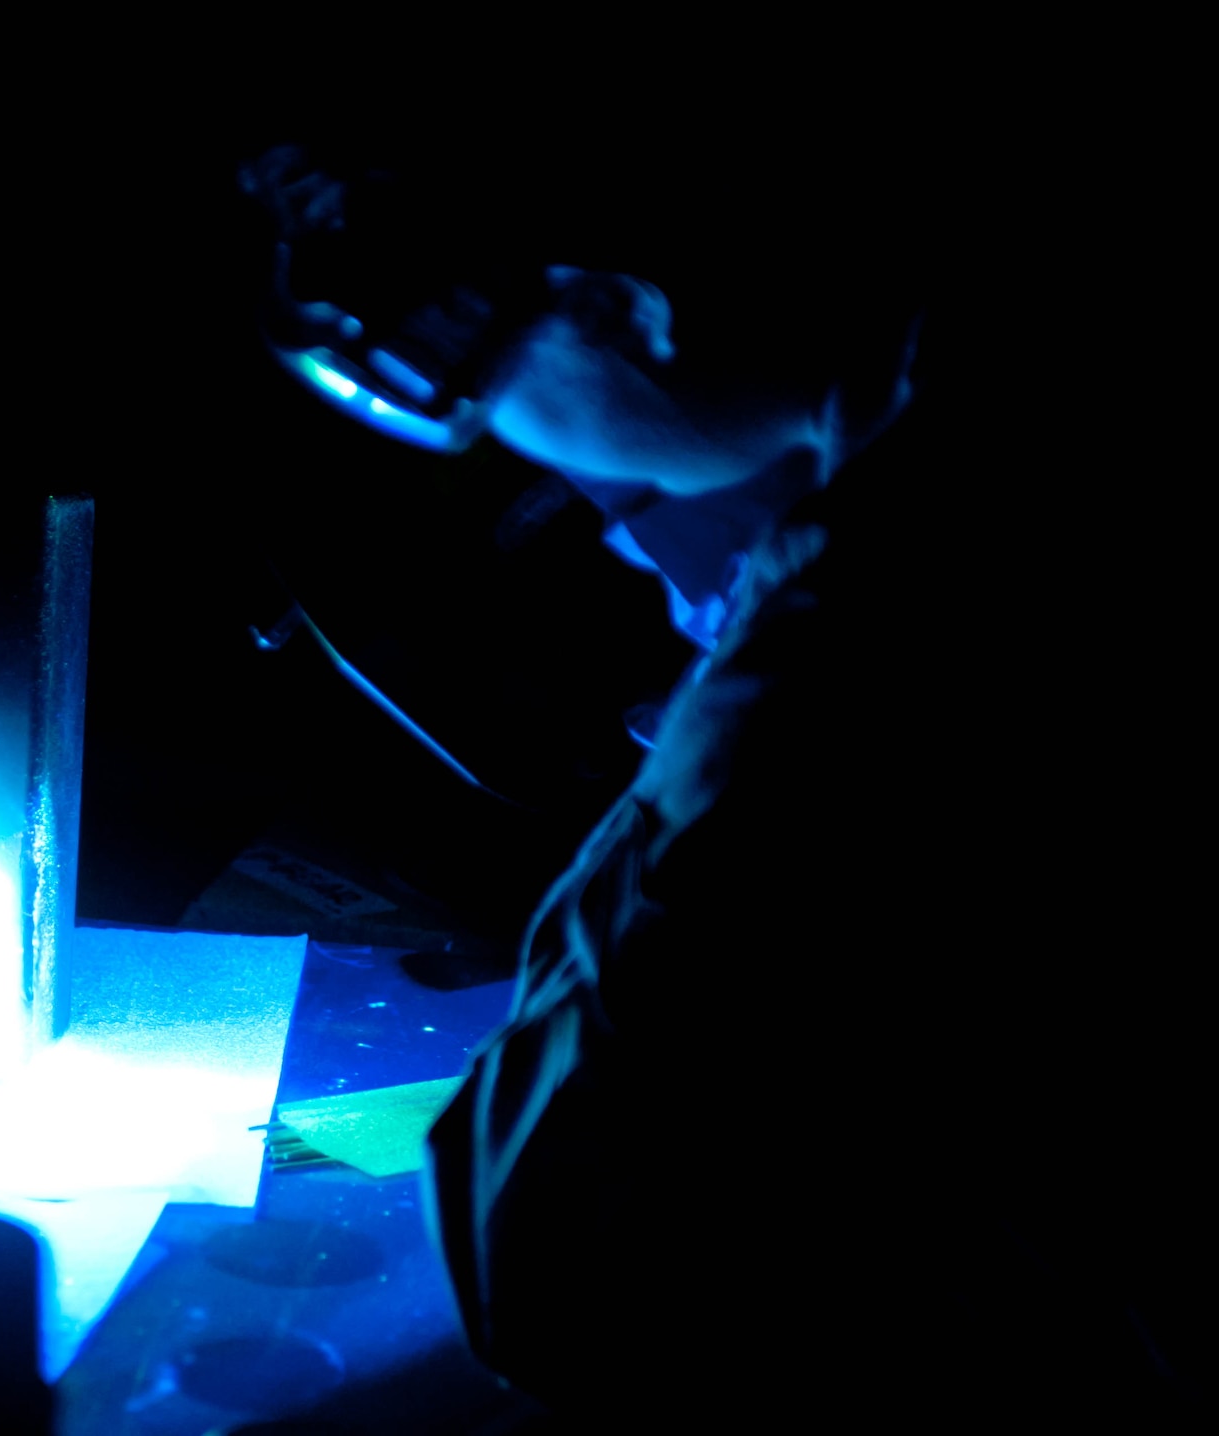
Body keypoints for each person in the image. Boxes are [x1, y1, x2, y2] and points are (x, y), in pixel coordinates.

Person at [248, 132, 1206, 1423]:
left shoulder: (877, 618)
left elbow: (555, 1266)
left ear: (617, 302)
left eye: (513, 412)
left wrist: (754, 687)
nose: (588, 501)